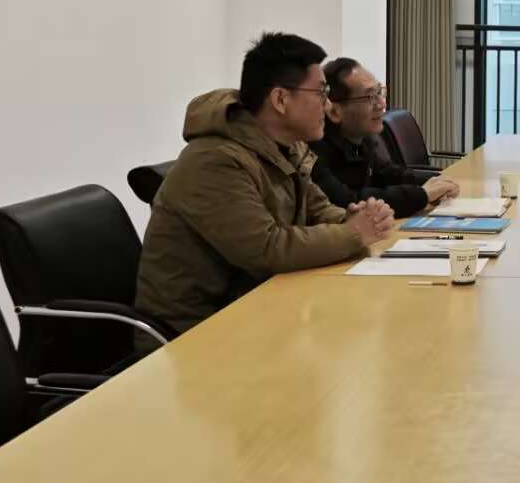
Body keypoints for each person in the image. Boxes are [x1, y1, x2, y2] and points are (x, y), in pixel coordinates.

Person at [136, 33, 394, 339]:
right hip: (192, 333)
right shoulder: (215, 160)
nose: (327, 105)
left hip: (255, 308)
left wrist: (358, 218)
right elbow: (267, 250)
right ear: (281, 99)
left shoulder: (287, 146)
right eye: (320, 93)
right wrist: (354, 233)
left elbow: (318, 209)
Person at [310, 57, 458, 218]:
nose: (381, 104)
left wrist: (438, 180)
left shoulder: (362, 138)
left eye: (379, 92)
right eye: (370, 97)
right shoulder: (313, 149)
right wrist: (422, 194)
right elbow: (349, 202)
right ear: (334, 110)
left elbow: (388, 174)